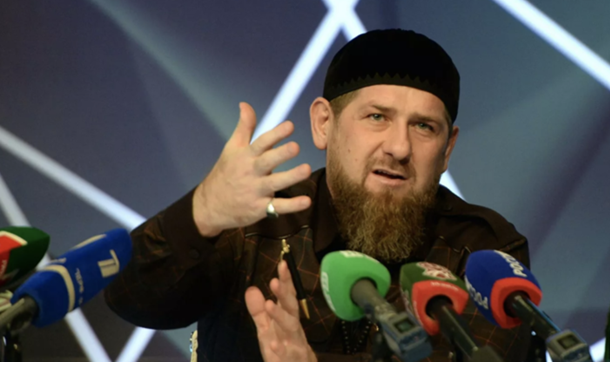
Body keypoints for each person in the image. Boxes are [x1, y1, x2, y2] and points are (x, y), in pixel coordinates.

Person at [104, 29, 533, 362]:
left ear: (447, 149)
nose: (399, 147)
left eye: (424, 127)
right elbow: (131, 299)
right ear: (324, 123)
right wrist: (202, 213)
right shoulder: (256, 221)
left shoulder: (483, 252)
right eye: (377, 117)